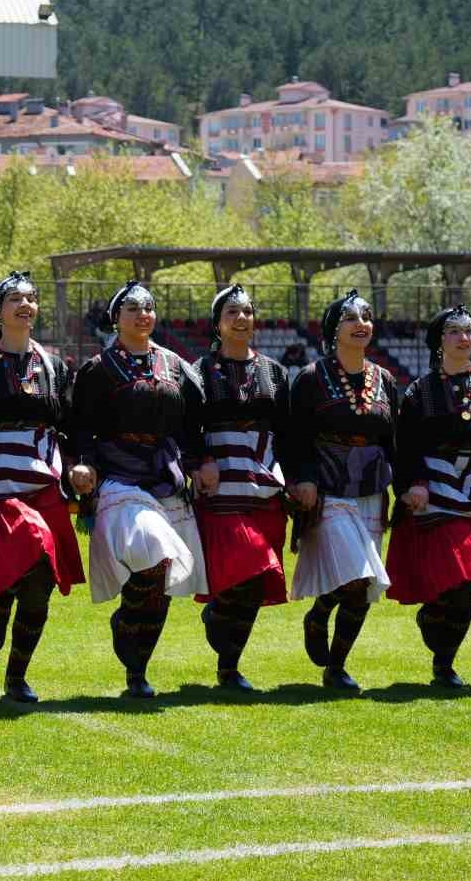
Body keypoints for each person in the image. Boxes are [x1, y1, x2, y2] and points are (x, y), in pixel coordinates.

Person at [0, 271, 85, 702]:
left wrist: (80, 466)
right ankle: (0, 596)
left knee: (43, 580)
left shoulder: (55, 366)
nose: (25, 305)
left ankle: (16, 677)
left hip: (45, 483)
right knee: (32, 542)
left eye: (31, 298)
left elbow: (72, 426)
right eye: (15, 299)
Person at [72, 281, 206, 699]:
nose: (143, 314)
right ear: (117, 318)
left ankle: (137, 671)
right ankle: (124, 622)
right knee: (154, 556)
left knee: (161, 584)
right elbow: (80, 427)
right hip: (119, 476)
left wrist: (201, 463)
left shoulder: (176, 366)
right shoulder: (98, 369)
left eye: (148, 307)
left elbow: (192, 426)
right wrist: (83, 464)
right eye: (132, 308)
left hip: (165, 476)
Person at [386, 307, 471, 688]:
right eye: (454, 331)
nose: (464, 338)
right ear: (438, 341)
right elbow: (403, 446)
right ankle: (432, 623)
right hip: (433, 495)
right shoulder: (418, 391)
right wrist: (411, 484)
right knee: (453, 581)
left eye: (469, 331)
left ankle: (444, 663)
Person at [288, 290, 399, 692]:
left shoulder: (385, 379)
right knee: (356, 575)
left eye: (367, 317)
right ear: (334, 329)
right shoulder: (310, 378)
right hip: (328, 486)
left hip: (371, 488)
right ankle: (318, 614)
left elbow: (393, 441)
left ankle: (336, 666)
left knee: (364, 585)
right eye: (351, 318)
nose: (361, 324)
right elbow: (293, 436)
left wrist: (404, 487)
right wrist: (303, 478)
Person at [192, 285, 293, 691]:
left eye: (248, 311)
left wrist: (297, 480)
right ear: (218, 323)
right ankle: (219, 625)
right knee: (247, 570)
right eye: (232, 311)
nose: (241, 318)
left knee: (254, 583)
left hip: (265, 487)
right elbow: (187, 426)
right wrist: (200, 460)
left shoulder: (275, 372)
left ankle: (228, 668)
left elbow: (288, 432)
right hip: (221, 489)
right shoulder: (198, 372)